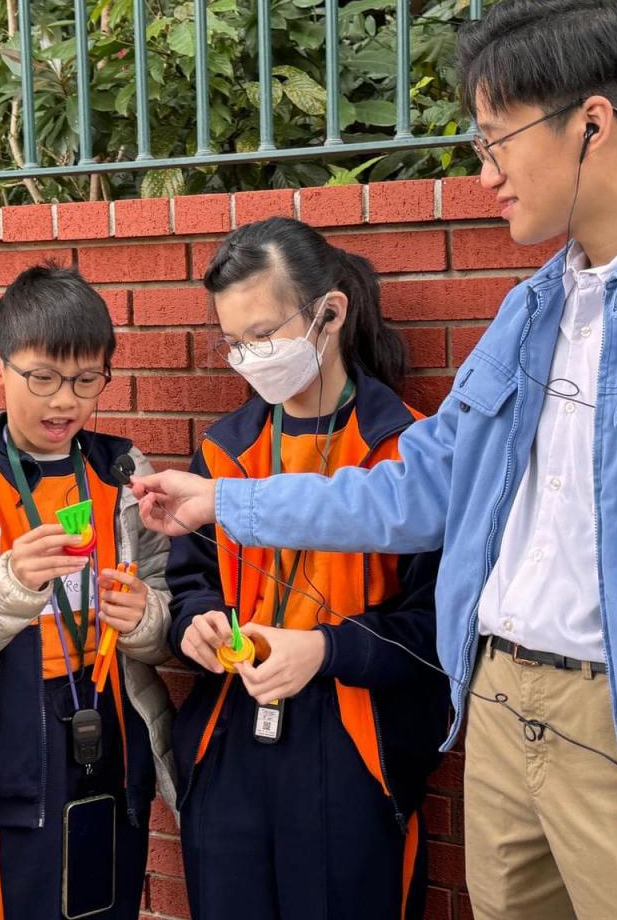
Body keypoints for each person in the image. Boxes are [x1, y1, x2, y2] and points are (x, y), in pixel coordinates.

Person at [134, 0, 617, 920]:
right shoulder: (532, 312)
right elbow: (420, 486)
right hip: (500, 720)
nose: (484, 171)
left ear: (592, 123)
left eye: (496, 139)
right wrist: (223, 503)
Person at [167, 217, 448, 920]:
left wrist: (325, 650)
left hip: (355, 741)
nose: (249, 358)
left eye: (264, 335)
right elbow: (189, 581)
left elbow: (439, 626)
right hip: (231, 730)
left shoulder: (406, 452)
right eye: (235, 343)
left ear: (330, 314)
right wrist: (196, 624)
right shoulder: (224, 450)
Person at [0, 264, 176, 920]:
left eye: (86, 380)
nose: (65, 402)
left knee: (110, 905)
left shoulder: (123, 472)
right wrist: (8, 585)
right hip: (10, 741)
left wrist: (145, 619)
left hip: (111, 725)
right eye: (43, 378)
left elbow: (168, 621)